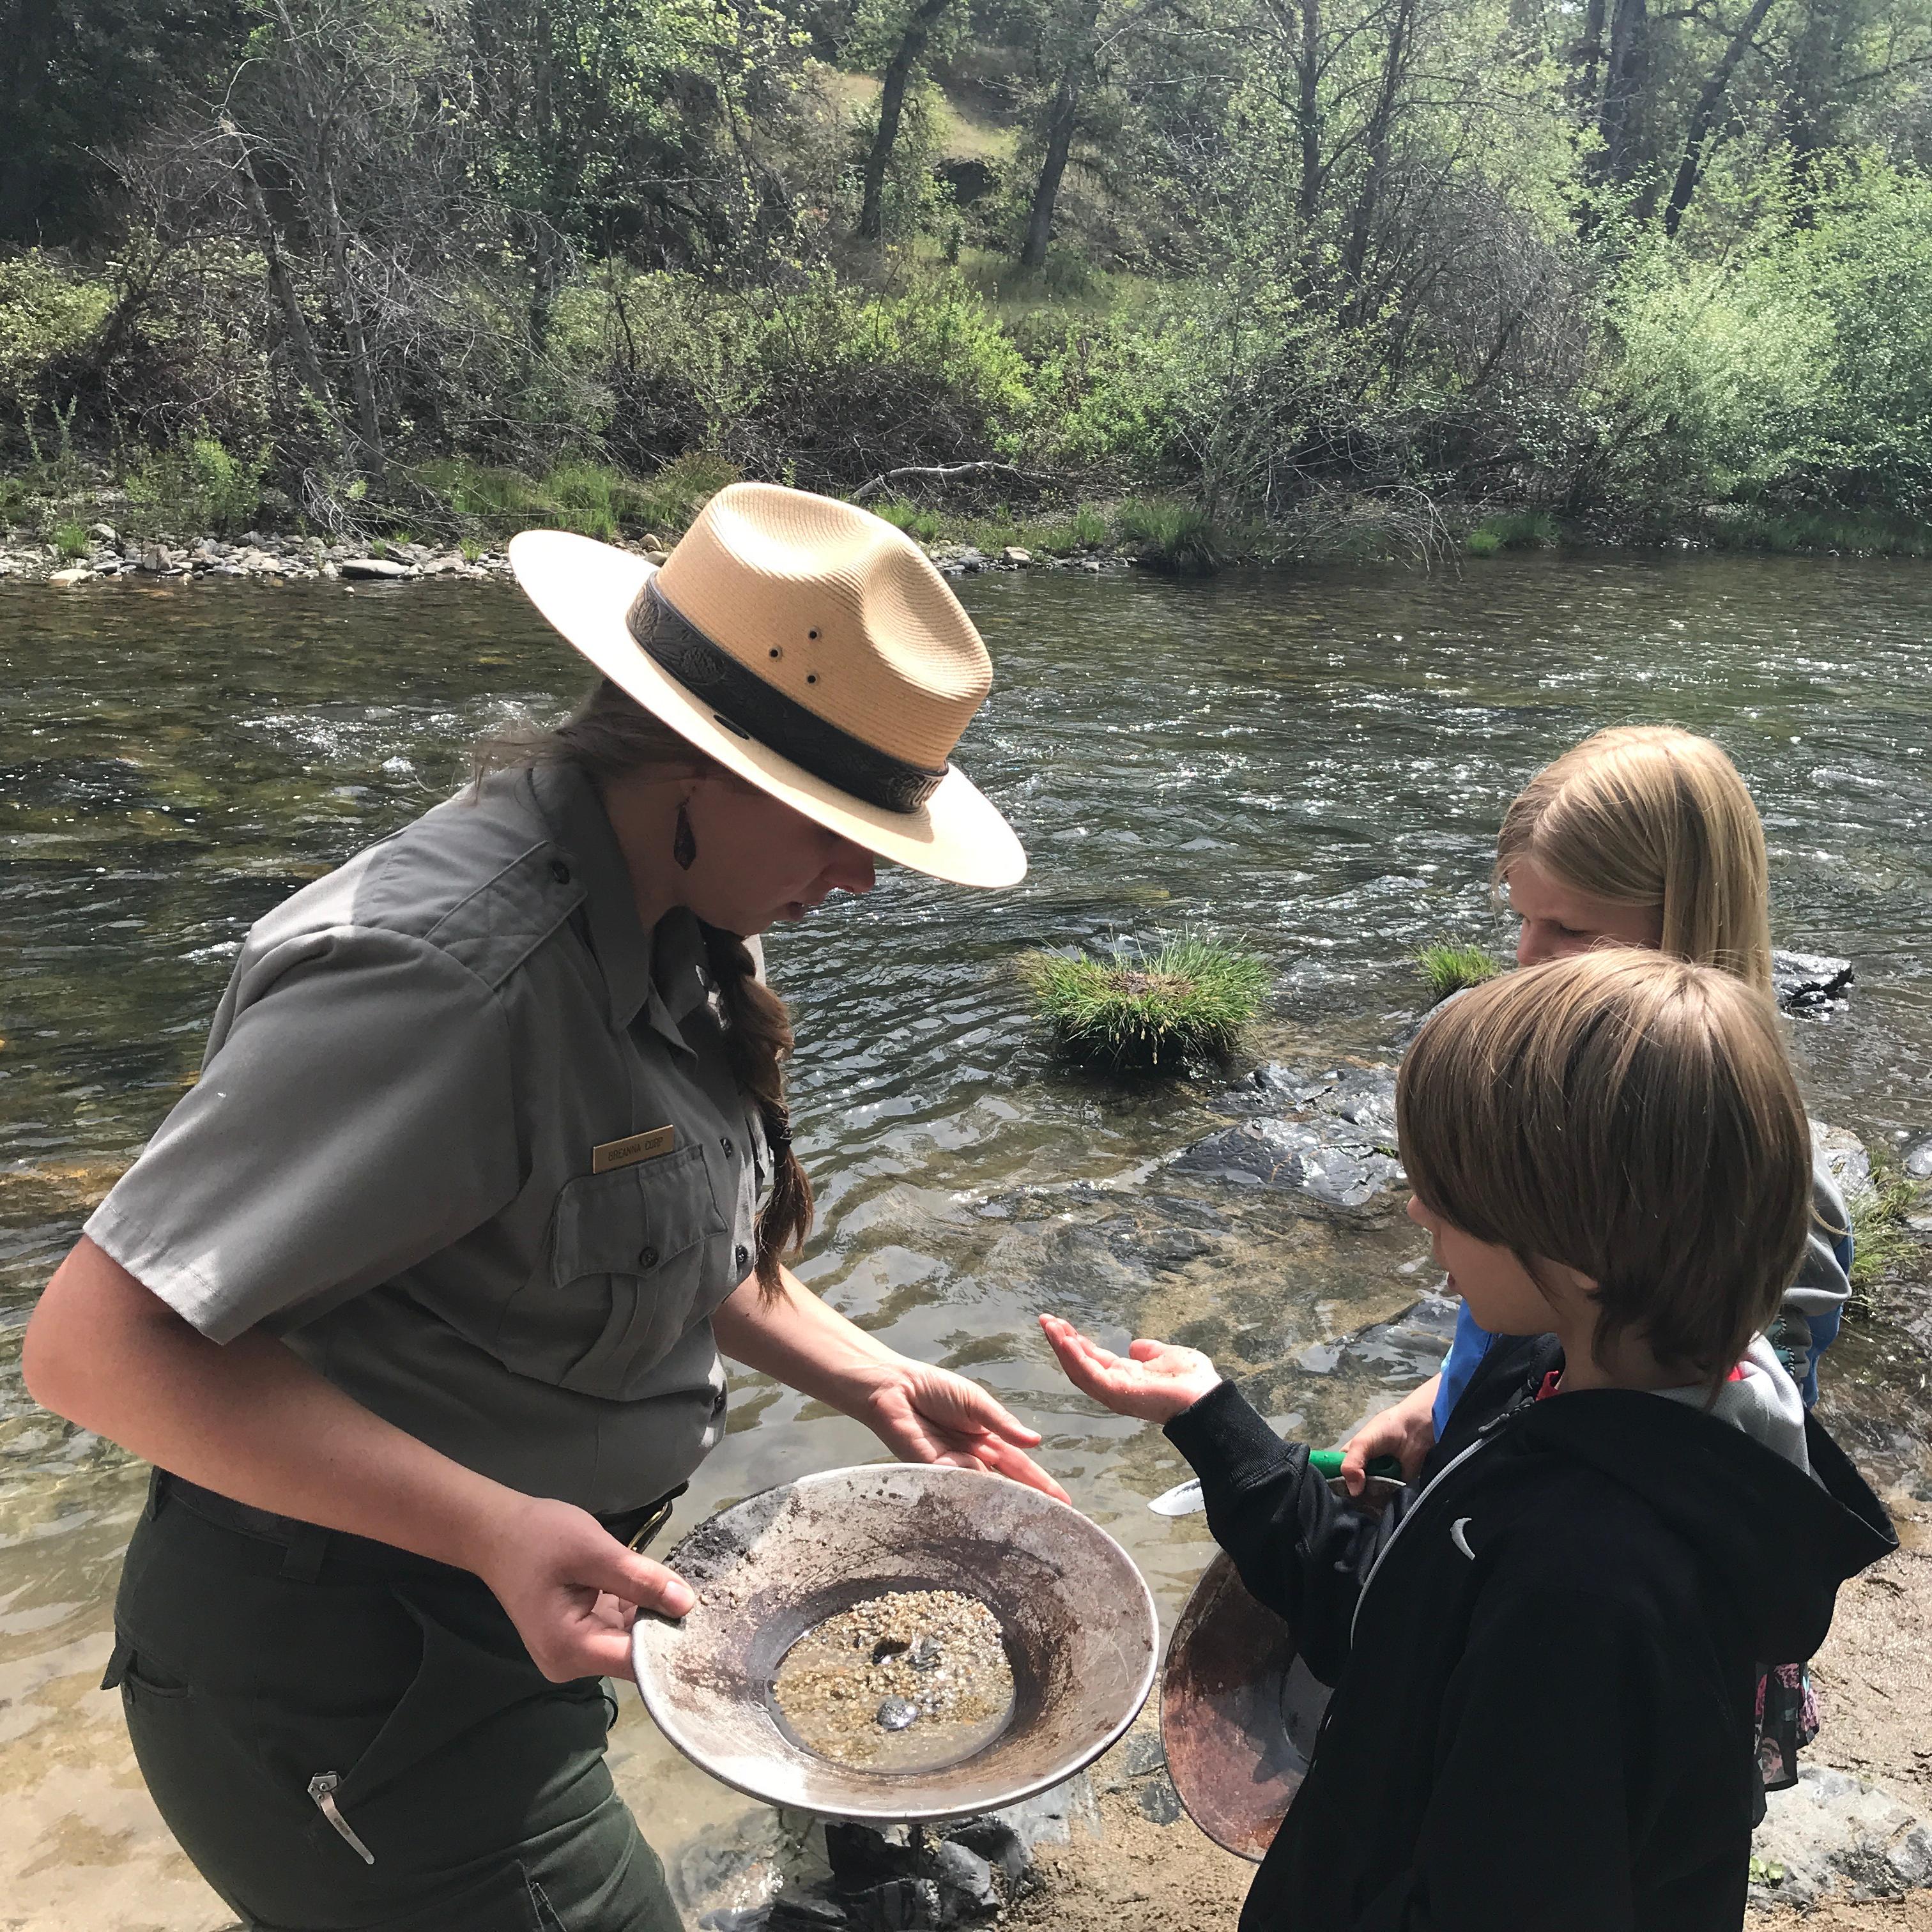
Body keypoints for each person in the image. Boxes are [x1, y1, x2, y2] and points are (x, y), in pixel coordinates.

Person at [23, 483, 1064, 1932]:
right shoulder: (455, 983)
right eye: (843, 826)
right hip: (348, 1689)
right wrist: (498, 1529)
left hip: (504, 1633)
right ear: (705, 764)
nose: (867, 875)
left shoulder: (669, 918)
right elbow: (95, 1348)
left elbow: (638, 1232)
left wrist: (879, 1378)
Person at [1043, 951, 1894, 1932]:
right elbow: (1392, 1609)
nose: (1416, 1210)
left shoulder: (1593, 1592)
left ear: (1576, 1249)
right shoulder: (1565, 1383)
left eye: (1448, 1193)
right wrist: (1214, 1421)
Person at [1346, 726, 1852, 1494]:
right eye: (1520, 918)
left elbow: (1746, 1468)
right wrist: (1435, 1404)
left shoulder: (1769, 1208)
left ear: (1685, 923)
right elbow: (1532, 1328)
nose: (1524, 954)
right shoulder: (1557, 1112)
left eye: (1569, 930)